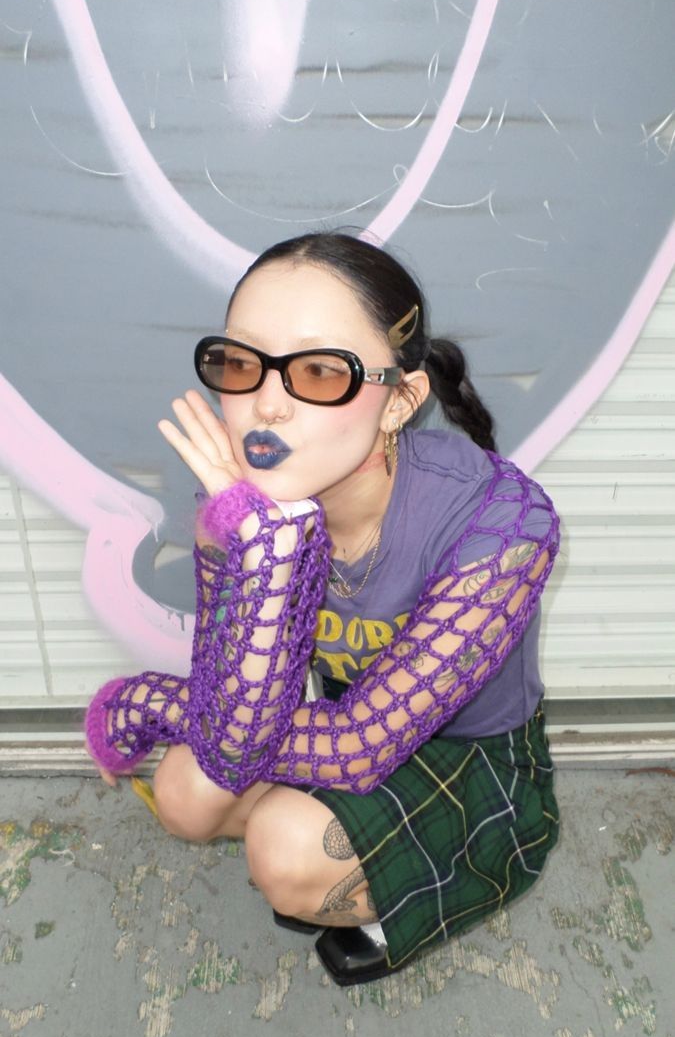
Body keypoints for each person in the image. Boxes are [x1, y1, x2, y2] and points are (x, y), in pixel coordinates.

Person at [85, 231, 560, 986]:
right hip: (328, 716)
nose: (265, 405)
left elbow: (359, 746)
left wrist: (146, 702)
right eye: (241, 363)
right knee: (183, 792)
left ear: (400, 399)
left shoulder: (504, 522)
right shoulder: (241, 495)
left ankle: (424, 892)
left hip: (468, 753)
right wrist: (259, 545)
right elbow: (232, 687)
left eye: (318, 371)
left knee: (282, 850)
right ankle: (351, 851)